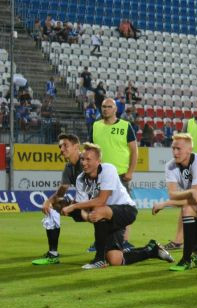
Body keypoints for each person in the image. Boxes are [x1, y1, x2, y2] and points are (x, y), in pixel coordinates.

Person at [62, 143, 173, 269]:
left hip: (126, 210)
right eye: (82, 159)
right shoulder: (80, 179)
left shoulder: (108, 169)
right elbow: (84, 209)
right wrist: (86, 216)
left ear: (98, 161)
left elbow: (101, 200)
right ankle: (152, 250)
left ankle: (99, 259)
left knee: (99, 210)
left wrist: (73, 207)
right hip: (106, 217)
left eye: (88, 159)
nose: (84, 163)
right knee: (115, 259)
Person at [152, 133, 197, 271]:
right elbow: (173, 194)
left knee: (187, 208)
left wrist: (164, 204)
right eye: (173, 148)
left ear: (189, 150)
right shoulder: (170, 166)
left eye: (179, 149)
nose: (175, 152)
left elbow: (192, 199)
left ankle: (185, 260)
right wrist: (191, 191)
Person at [92, 97, 139, 250]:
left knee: (124, 207)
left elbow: (134, 150)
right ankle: (100, 240)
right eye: (103, 106)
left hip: (120, 175)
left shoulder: (125, 126)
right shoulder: (96, 126)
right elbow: (91, 150)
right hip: (100, 175)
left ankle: (124, 241)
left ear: (115, 109)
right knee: (100, 207)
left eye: (109, 107)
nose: (105, 109)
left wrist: (131, 171)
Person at [32, 134, 85, 266]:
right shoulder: (69, 167)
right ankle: (53, 254)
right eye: (60, 146)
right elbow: (62, 191)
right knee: (53, 207)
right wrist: (48, 201)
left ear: (76, 146)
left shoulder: (87, 162)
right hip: (84, 206)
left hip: (101, 205)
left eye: (65, 145)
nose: (61, 149)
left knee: (113, 256)